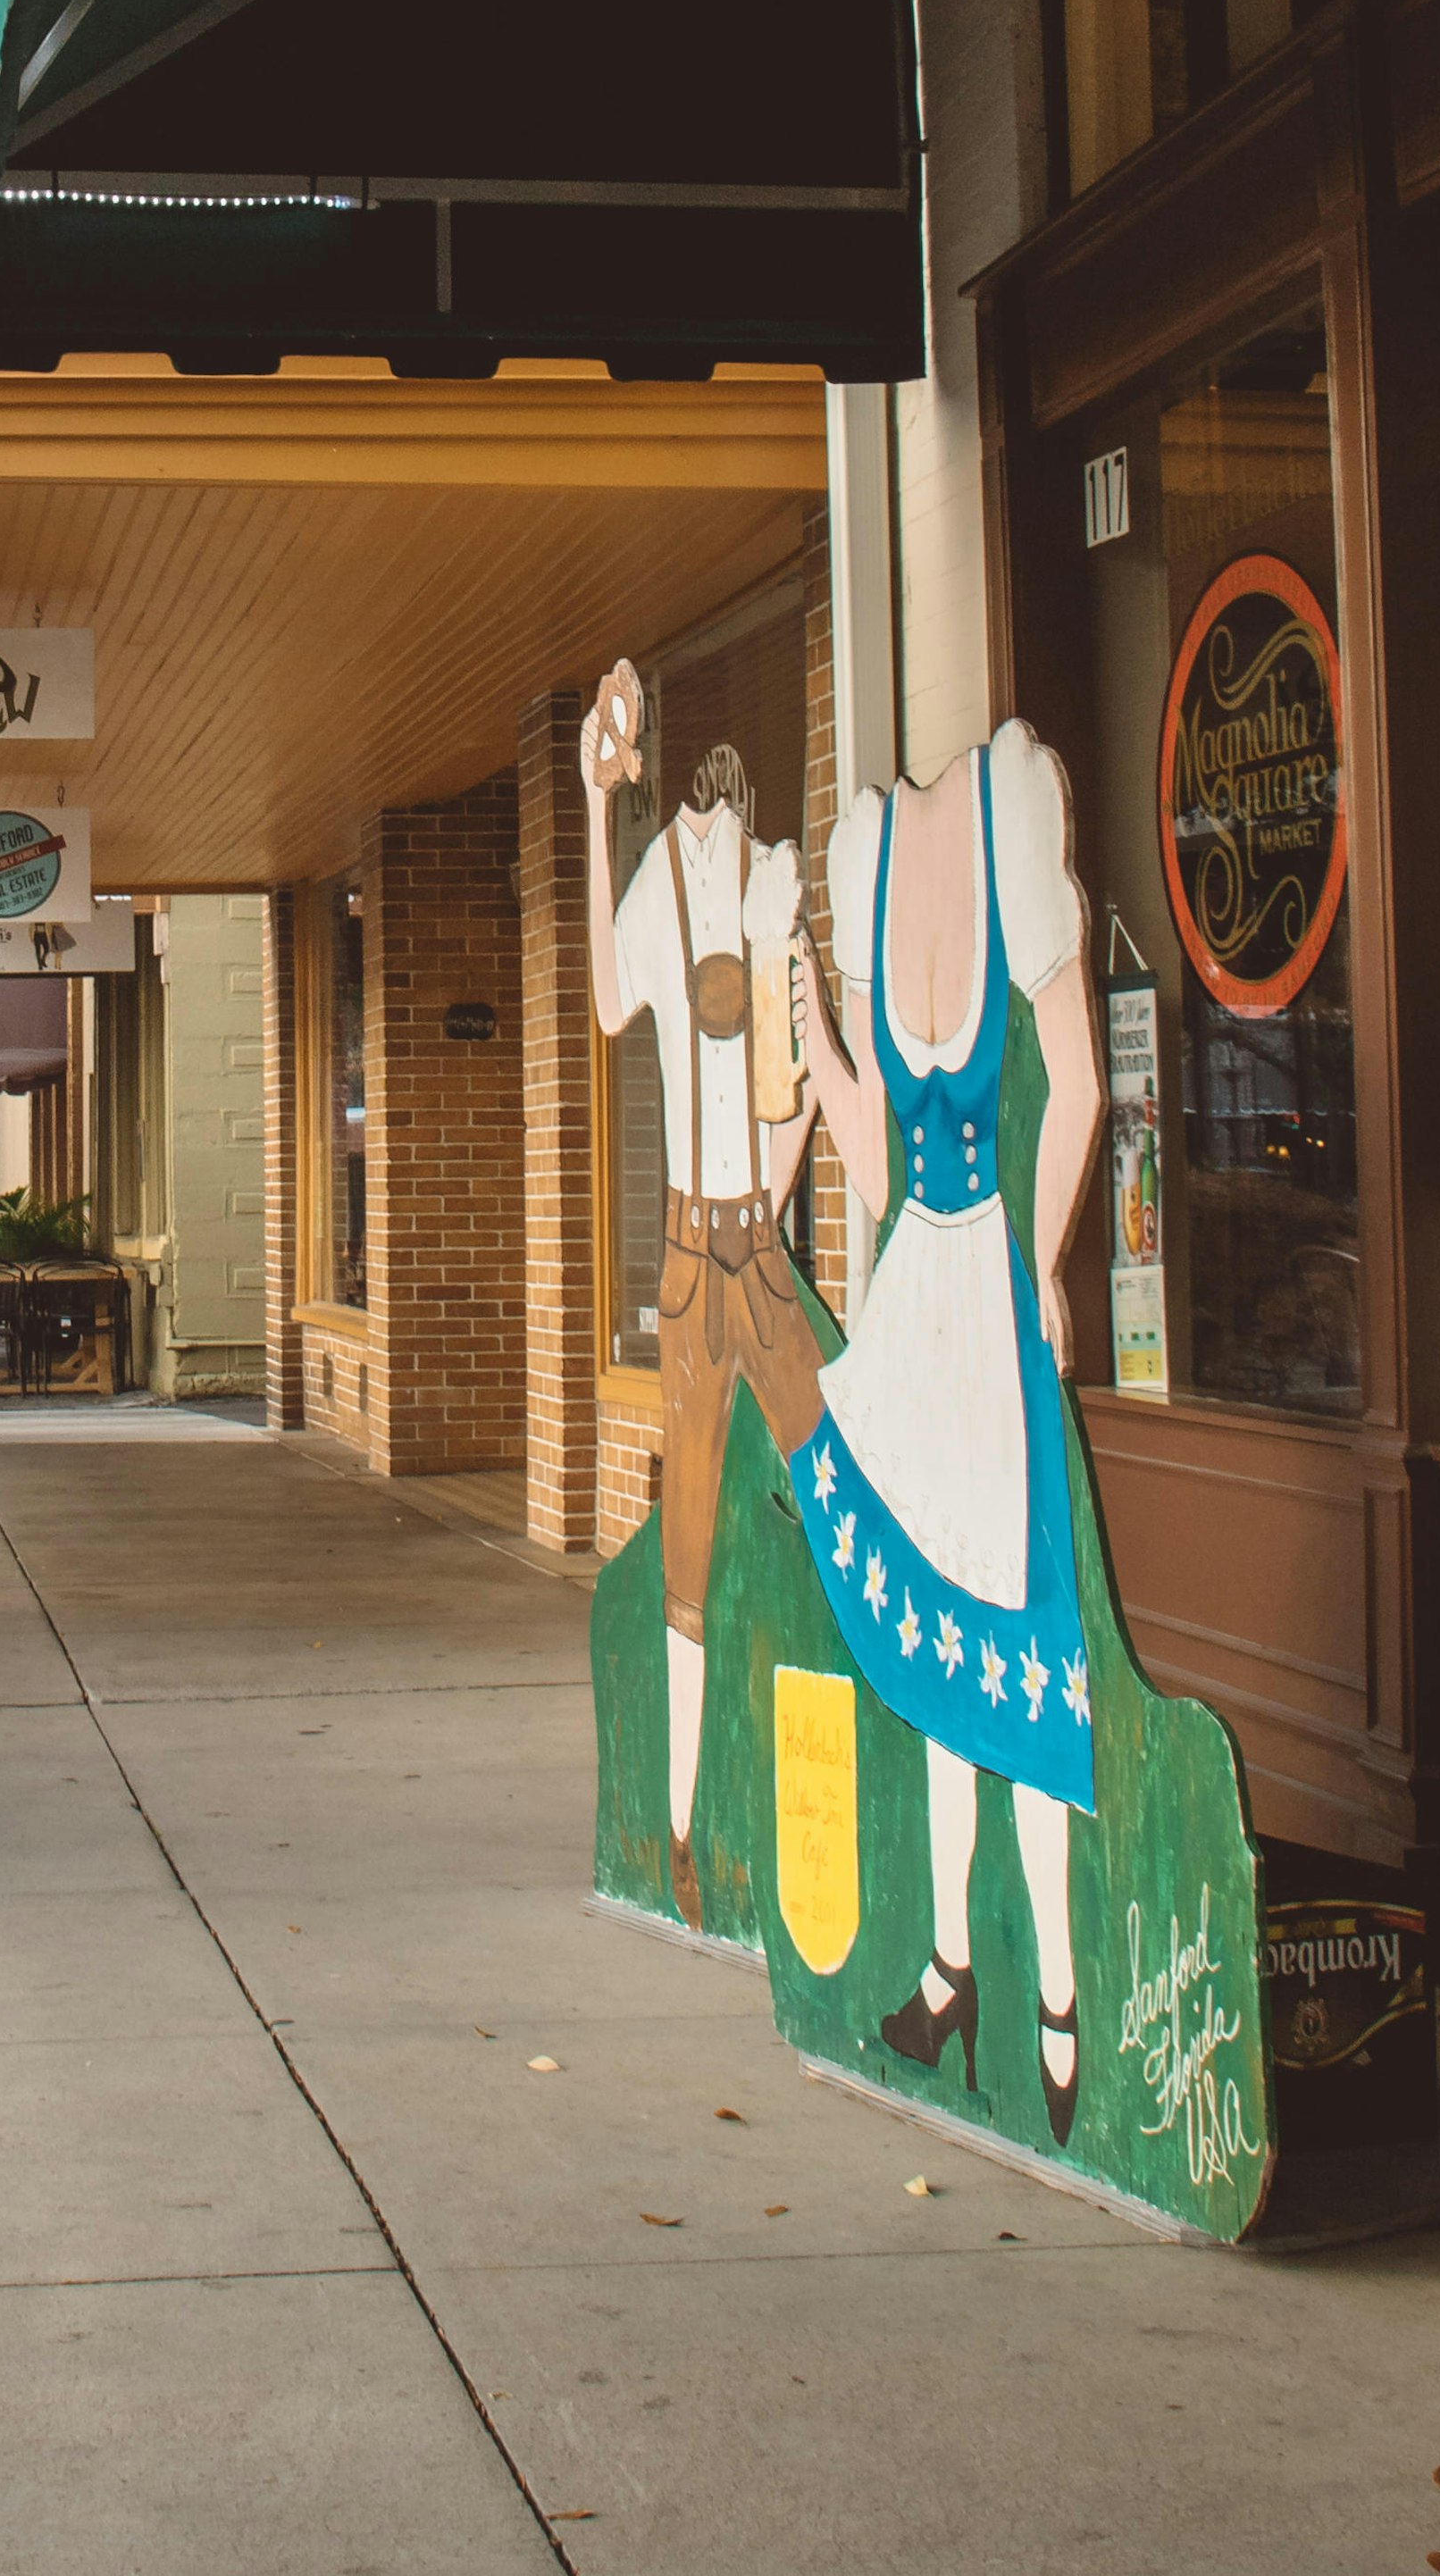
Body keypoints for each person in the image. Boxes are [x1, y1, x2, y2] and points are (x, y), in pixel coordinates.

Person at [786, 721, 1102, 2141]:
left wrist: (1043, 1261)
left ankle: (1060, 2002)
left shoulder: (1012, 813)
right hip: (914, 1284)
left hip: (989, 1294)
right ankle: (950, 1972)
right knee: (927, 1619)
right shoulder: (864, 848)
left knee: (1022, 1637)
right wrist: (813, 1041)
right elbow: (866, 1161)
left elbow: (1083, 1085)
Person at [580, 658, 826, 1933]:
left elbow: (797, 1067)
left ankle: (860, 1769)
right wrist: (588, 806)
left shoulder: (772, 877)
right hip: (688, 1255)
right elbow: (614, 1003)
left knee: (829, 1480)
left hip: (752, 1248)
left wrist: (777, 1206)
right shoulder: (655, 880)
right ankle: (680, 1833)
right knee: (688, 1545)